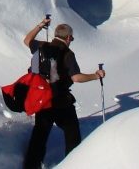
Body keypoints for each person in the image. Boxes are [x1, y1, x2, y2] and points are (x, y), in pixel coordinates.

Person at [21, 17, 105, 169]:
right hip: (61, 101)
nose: (71, 40)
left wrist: (41, 25)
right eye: (71, 37)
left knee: (39, 136)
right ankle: (73, 164)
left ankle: (31, 166)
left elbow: (27, 40)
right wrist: (96, 75)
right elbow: (76, 78)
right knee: (72, 133)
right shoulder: (68, 53)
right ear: (68, 37)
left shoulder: (41, 46)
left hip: (43, 99)